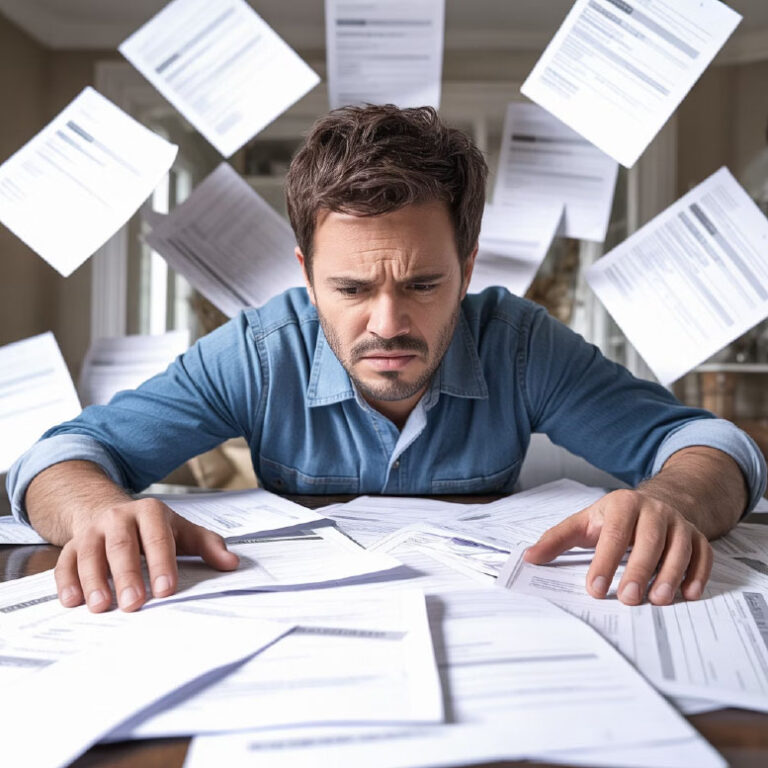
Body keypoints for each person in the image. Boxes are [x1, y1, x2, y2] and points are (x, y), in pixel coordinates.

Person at [7, 105, 766, 615]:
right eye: (349, 287)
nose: (389, 323)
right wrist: (97, 513)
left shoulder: (521, 343)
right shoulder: (258, 348)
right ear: (305, 276)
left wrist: (676, 503)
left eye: (424, 283)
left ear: (467, 270)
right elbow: (58, 457)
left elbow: (714, 446)